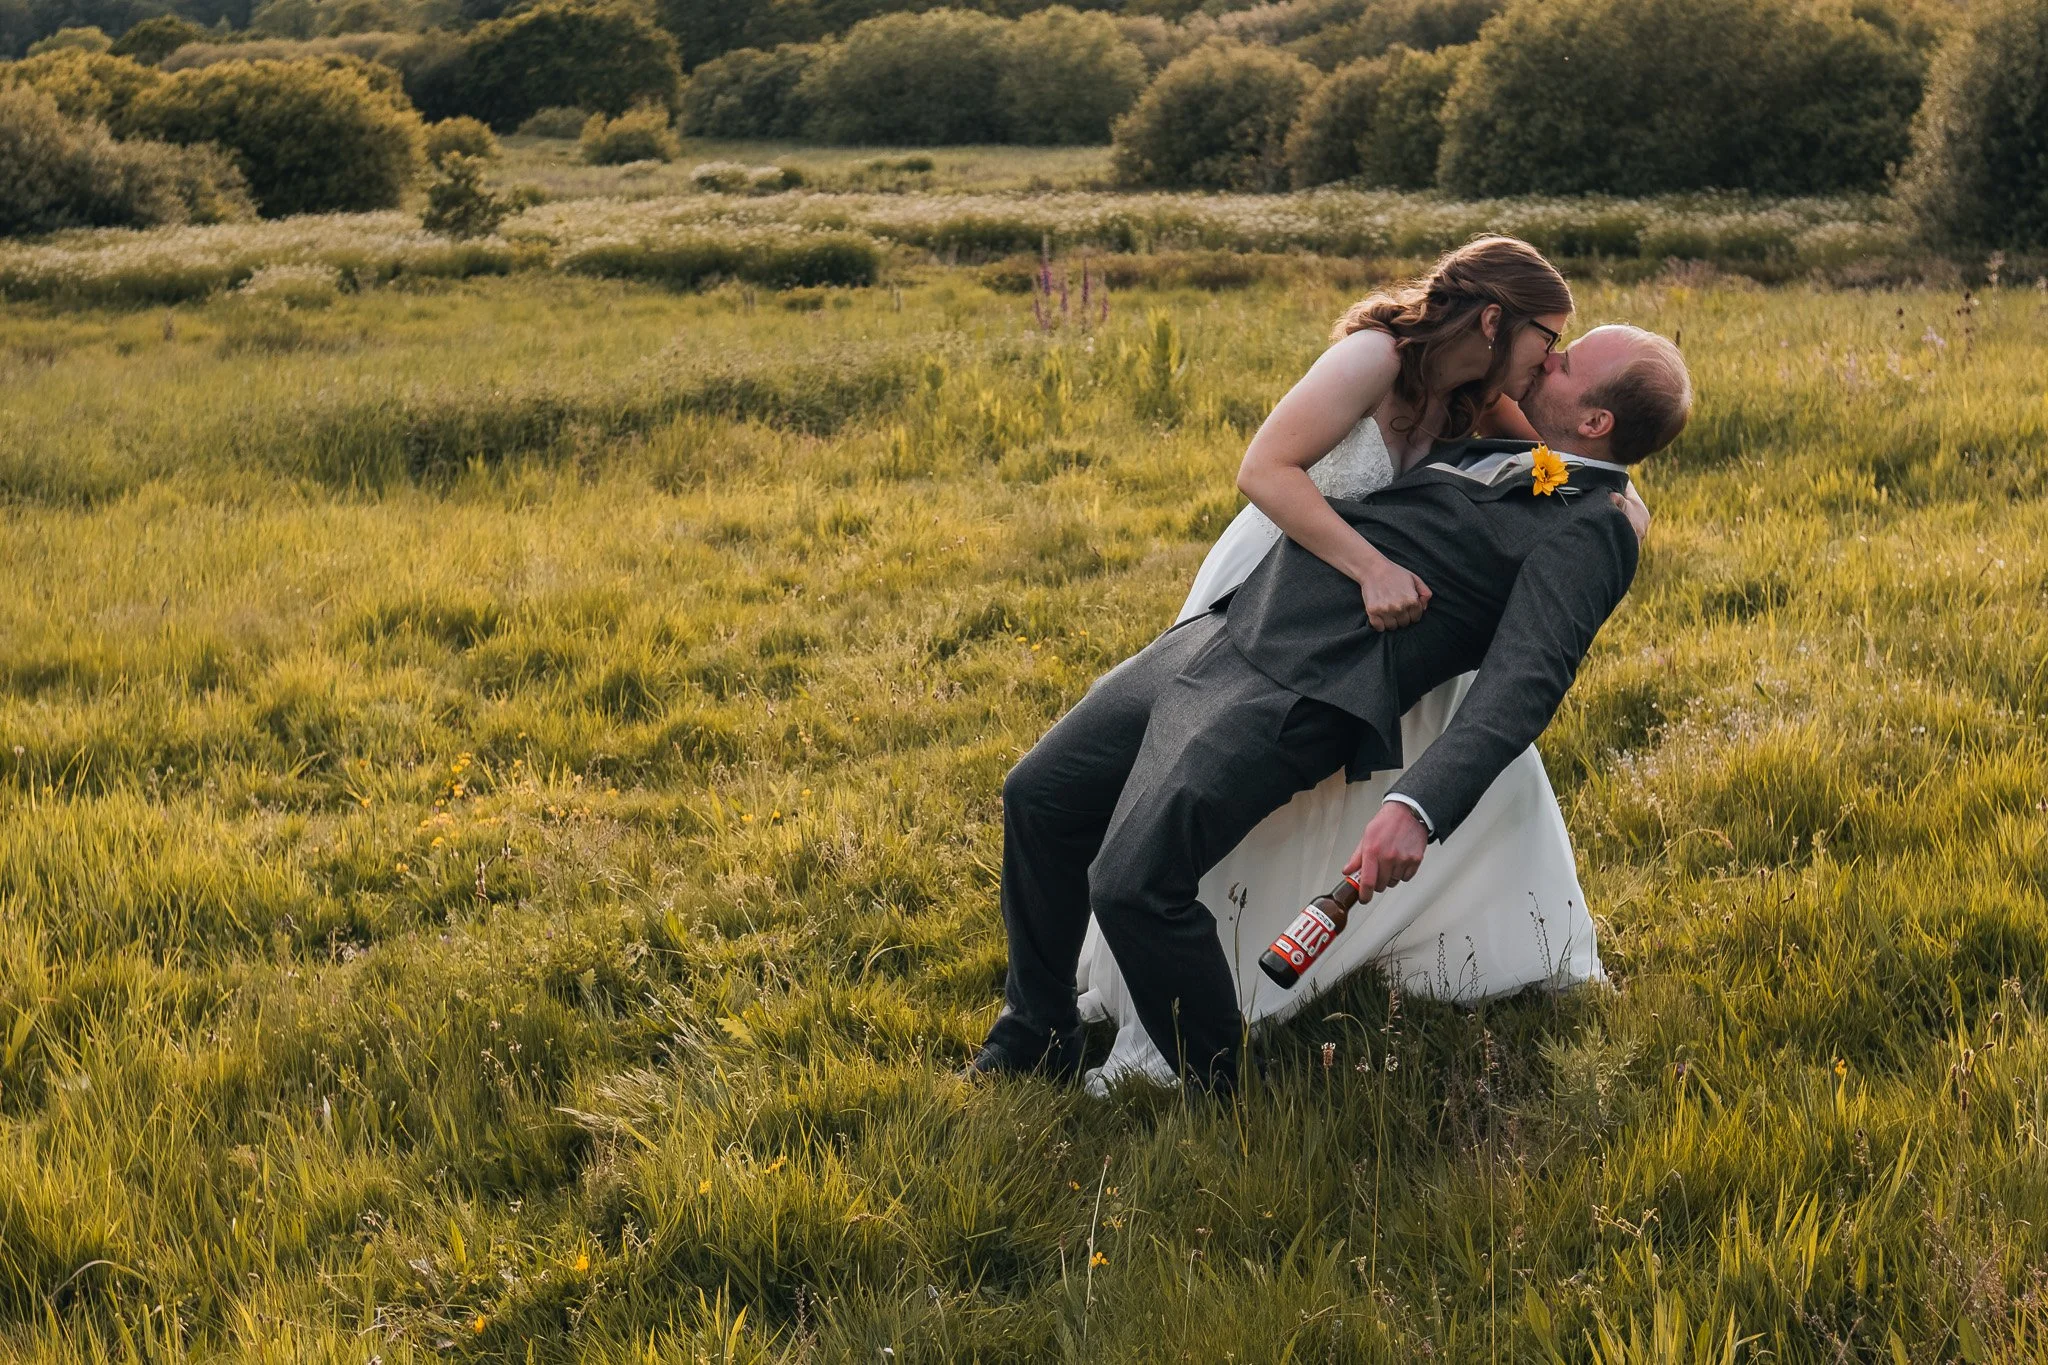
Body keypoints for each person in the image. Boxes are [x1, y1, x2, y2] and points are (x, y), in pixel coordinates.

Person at [968, 316, 1693, 1094]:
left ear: (1596, 421)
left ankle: (1216, 1092)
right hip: (1230, 623)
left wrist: (1418, 807)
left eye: (1568, 364)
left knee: (1134, 879)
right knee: (1040, 794)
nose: (1548, 361)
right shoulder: (1536, 446)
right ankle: (1035, 1032)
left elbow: (1522, 687)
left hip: (1308, 685)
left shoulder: (1592, 530)